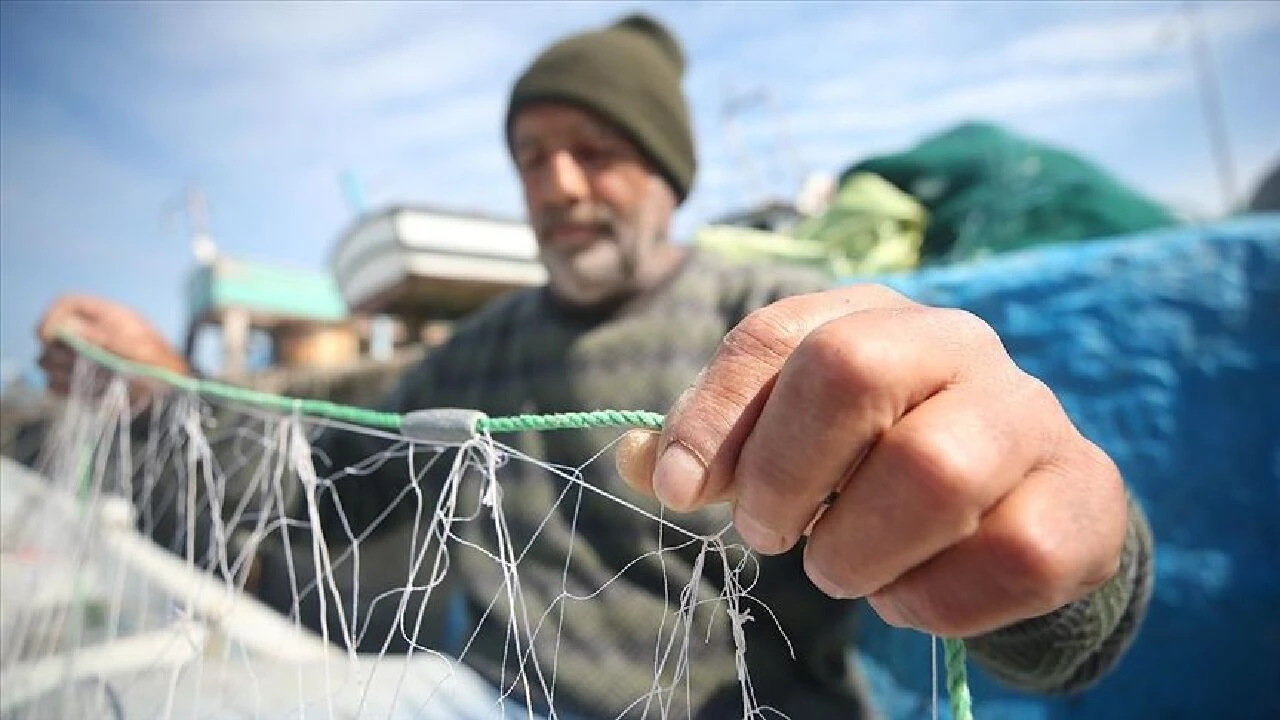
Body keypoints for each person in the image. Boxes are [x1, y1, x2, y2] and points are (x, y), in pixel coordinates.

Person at [35, 14, 1152, 720]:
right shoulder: (472, 355)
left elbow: (1060, 633)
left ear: (667, 171)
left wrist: (1056, 563)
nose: (561, 184)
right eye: (533, 158)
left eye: (599, 152)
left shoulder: (771, 324)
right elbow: (299, 501)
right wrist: (152, 404)